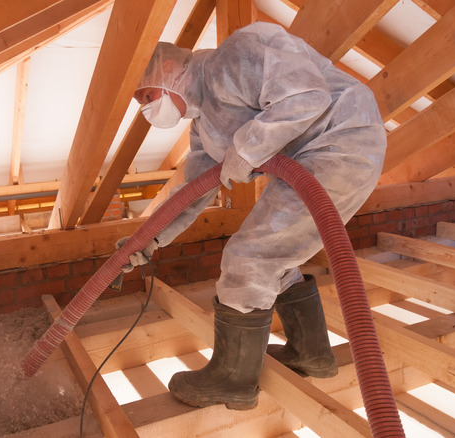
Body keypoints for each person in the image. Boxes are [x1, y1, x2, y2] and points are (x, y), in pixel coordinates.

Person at [119, 22, 386, 410]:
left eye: (146, 94)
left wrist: (246, 149)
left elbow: (306, 96)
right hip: (311, 158)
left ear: (168, 71)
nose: (147, 109)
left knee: (250, 256)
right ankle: (310, 353)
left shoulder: (236, 55)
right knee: (273, 256)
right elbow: (189, 189)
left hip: (342, 140)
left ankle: (233, 380)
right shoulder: (205, 126)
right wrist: (147, 238)